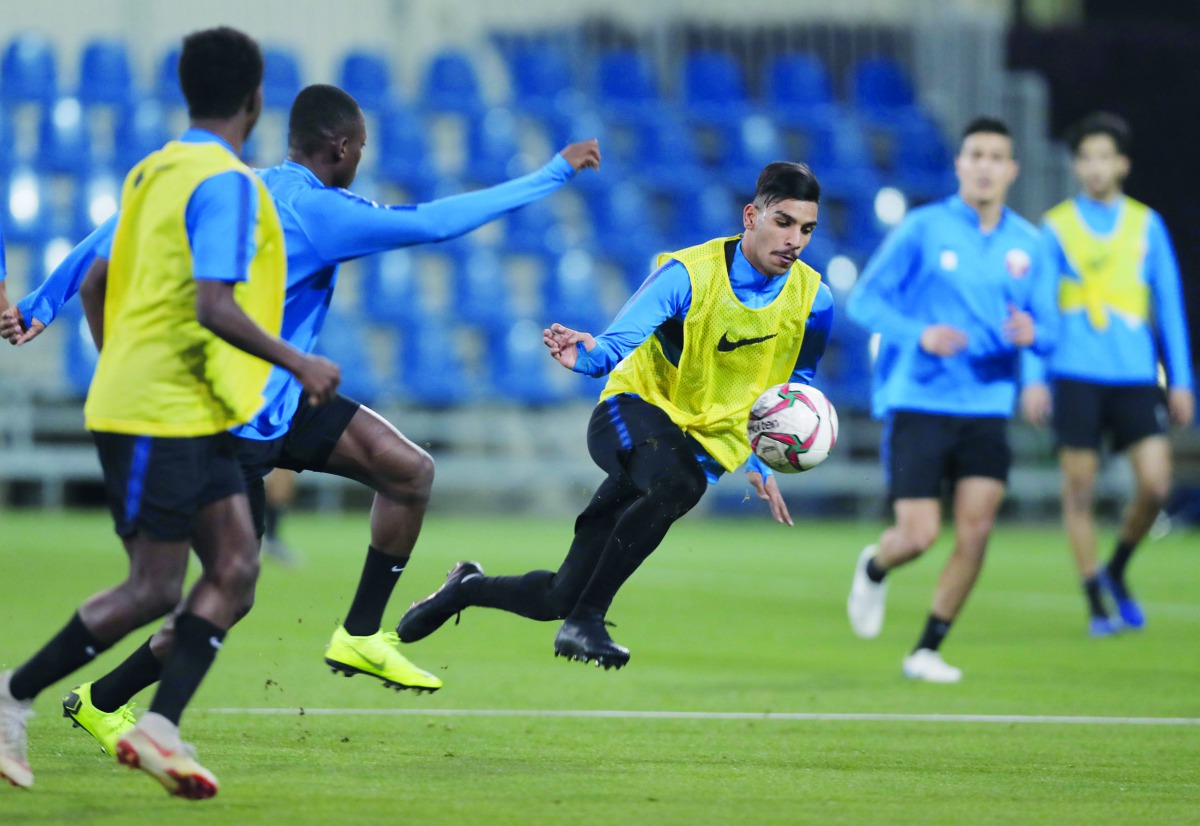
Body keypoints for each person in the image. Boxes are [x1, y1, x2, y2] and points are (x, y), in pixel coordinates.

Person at [2, 84, 601, 753]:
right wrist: (553, 173)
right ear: (341, 147)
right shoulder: (320, 211)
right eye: (361, 149)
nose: (362, 161)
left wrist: (37, 303)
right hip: (227, 424)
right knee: (229, 589)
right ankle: (100, 699)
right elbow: (434, 222)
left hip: (282, 404)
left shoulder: (238, 186)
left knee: (406, 469)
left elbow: (112, 233)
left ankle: (361, 635)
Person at [0, 27, 341, 798]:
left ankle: (158, 727)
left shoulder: (154, 169)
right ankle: (11, 694)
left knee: (235, 565)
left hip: (179, 404)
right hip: (161, 410)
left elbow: (95, 278)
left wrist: (116, 357)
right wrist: (298, 360)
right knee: (156, 586)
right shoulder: (224, 183)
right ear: (255, 102)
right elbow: (212, 303)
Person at [397, 161, 833, 668]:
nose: (795, 239)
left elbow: (795, 382)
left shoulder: (814, 299)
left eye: (807, 229)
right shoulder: (690, 275)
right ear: (750, 216)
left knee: (556, 596)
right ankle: (587, 621)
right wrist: (587, 356)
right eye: (783, 222)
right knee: (680, 485)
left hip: (686, 451)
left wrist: (763, 456)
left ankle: (466, 587)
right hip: (629, 416)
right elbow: (619, 340)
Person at [844, 117, 1059, 683]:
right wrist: (921, 334)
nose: (985, 165)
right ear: (960, 165)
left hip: (987, 405)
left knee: (978, 530)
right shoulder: (924, 229)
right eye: (975, 155)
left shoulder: (1030, 245)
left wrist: (1034, 357)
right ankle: (875, 563)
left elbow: (1048, 327)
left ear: (1011, 169)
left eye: (996, 156)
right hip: (921, 399)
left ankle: (927, 649)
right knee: (918, 536)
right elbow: (865, 301)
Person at [1019, 112, 1194, 636]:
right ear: (1077, 166)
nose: (1094, 167)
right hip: (1074, 372)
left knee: (1157, 484)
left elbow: (1170, 304)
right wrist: (1032, 377)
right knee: (1079, 490)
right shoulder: (1057, 226)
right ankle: (1096, 600)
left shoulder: (1147, 224)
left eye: (1104, 157)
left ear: (1122, 163)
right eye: (1086, 158)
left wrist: (1181, 379)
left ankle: (1117, 567)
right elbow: (1038, 306)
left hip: (1136, 373)